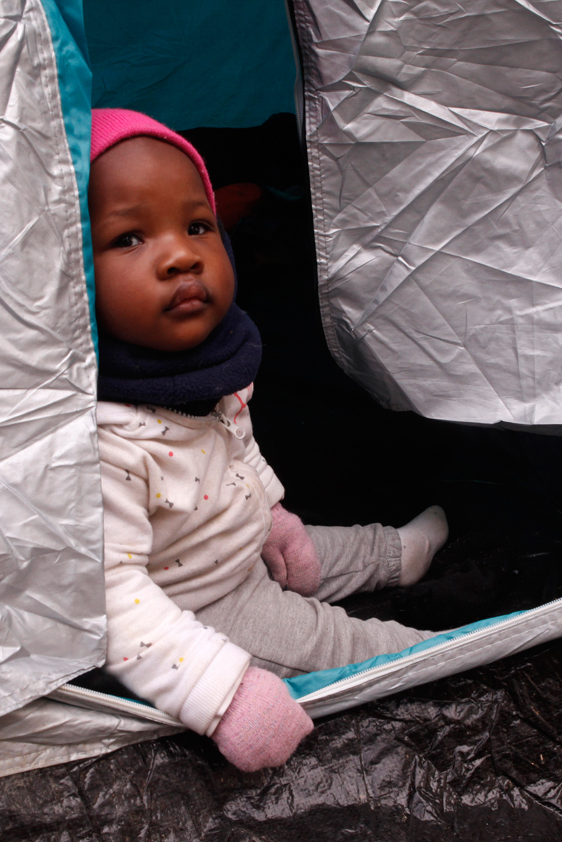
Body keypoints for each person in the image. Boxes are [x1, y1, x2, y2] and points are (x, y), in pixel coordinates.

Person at [89, 109, 449, 772]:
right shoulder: (101, 435)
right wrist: (220, 693)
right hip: (199, 606)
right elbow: (108, 599)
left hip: (236, 543)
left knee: (320, 545)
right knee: (338, 640)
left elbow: (236, 451)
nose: (179, 254)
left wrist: (274, 517)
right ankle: (444, 652)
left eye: (197, 226)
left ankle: (396, 552)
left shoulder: (204, 363)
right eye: (129, 237)